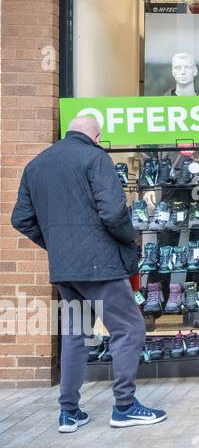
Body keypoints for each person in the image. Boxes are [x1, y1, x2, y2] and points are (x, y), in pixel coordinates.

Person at [10, 116, 166, 431]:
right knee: (128, 328)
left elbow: (21, 218)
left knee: (74, 334)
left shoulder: (36, 165)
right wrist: (129, 238)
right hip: (100, 266)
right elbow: (113, 211)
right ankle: (124, 406)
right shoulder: (96, 158)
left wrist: (54, 244)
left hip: (65, 270)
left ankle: (69, 412)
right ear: (96, 136)